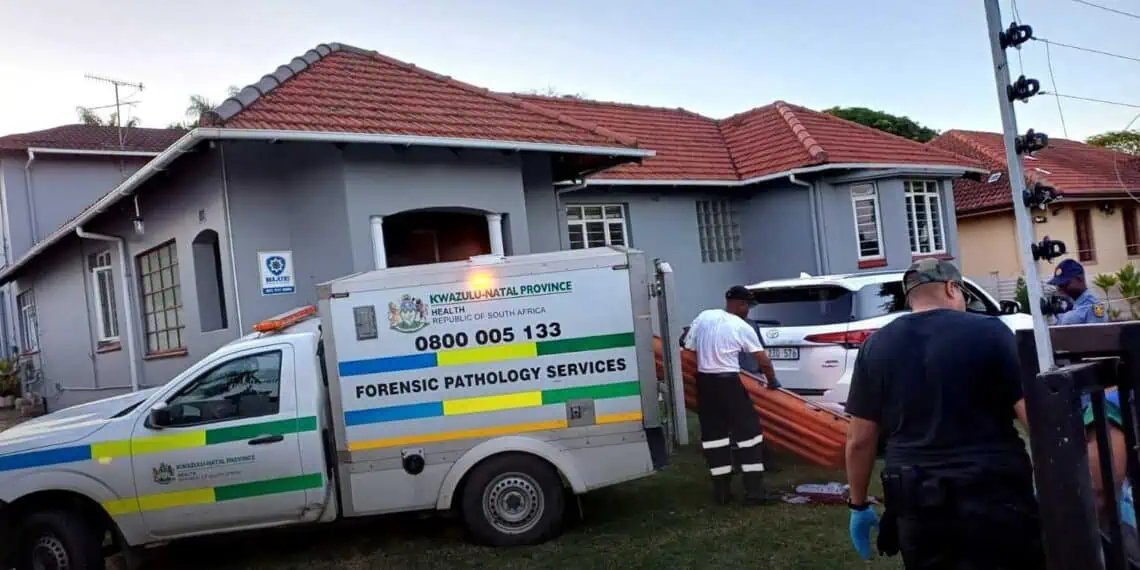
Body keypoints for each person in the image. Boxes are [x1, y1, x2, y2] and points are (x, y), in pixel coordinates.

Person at [844, 259, 1044, 568]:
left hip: (916, 499)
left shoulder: (875, 346)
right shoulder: (991, 332)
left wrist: (858, 505)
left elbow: (859, 440)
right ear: (952, 288)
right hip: (994, 492)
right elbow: (1035, 419)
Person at [683, 285, 780, 506]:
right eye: (747, 306)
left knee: (714, 438)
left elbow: (689, 347)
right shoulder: (741, 326)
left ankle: (722, 492)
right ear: (740, 304)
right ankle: (755, 492)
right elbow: (762, 359)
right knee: (749, 434)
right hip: (728, 383)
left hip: (705, 384)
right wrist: (772, 380)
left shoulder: (704, 316)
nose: (748, 311)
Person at [1050, 259, 1109, 325]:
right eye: (1058, 284)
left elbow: (1098, 331)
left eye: (1064, 283)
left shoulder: (1093, 306)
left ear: (1079, 279)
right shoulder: (1069, 303)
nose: (1060, 288)